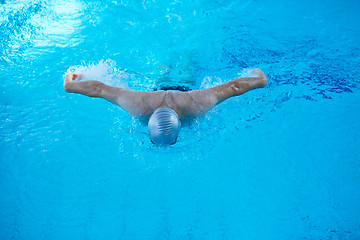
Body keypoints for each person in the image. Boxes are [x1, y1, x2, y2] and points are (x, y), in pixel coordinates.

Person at [63, 68, 267, 145]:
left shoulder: (138, 105)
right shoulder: (196, 104)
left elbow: (99, 89)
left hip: (171, 90)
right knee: (181, 65)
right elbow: (234, 86)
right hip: (181, 90)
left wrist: (259, 81)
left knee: (177, 66)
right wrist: (71, 86)